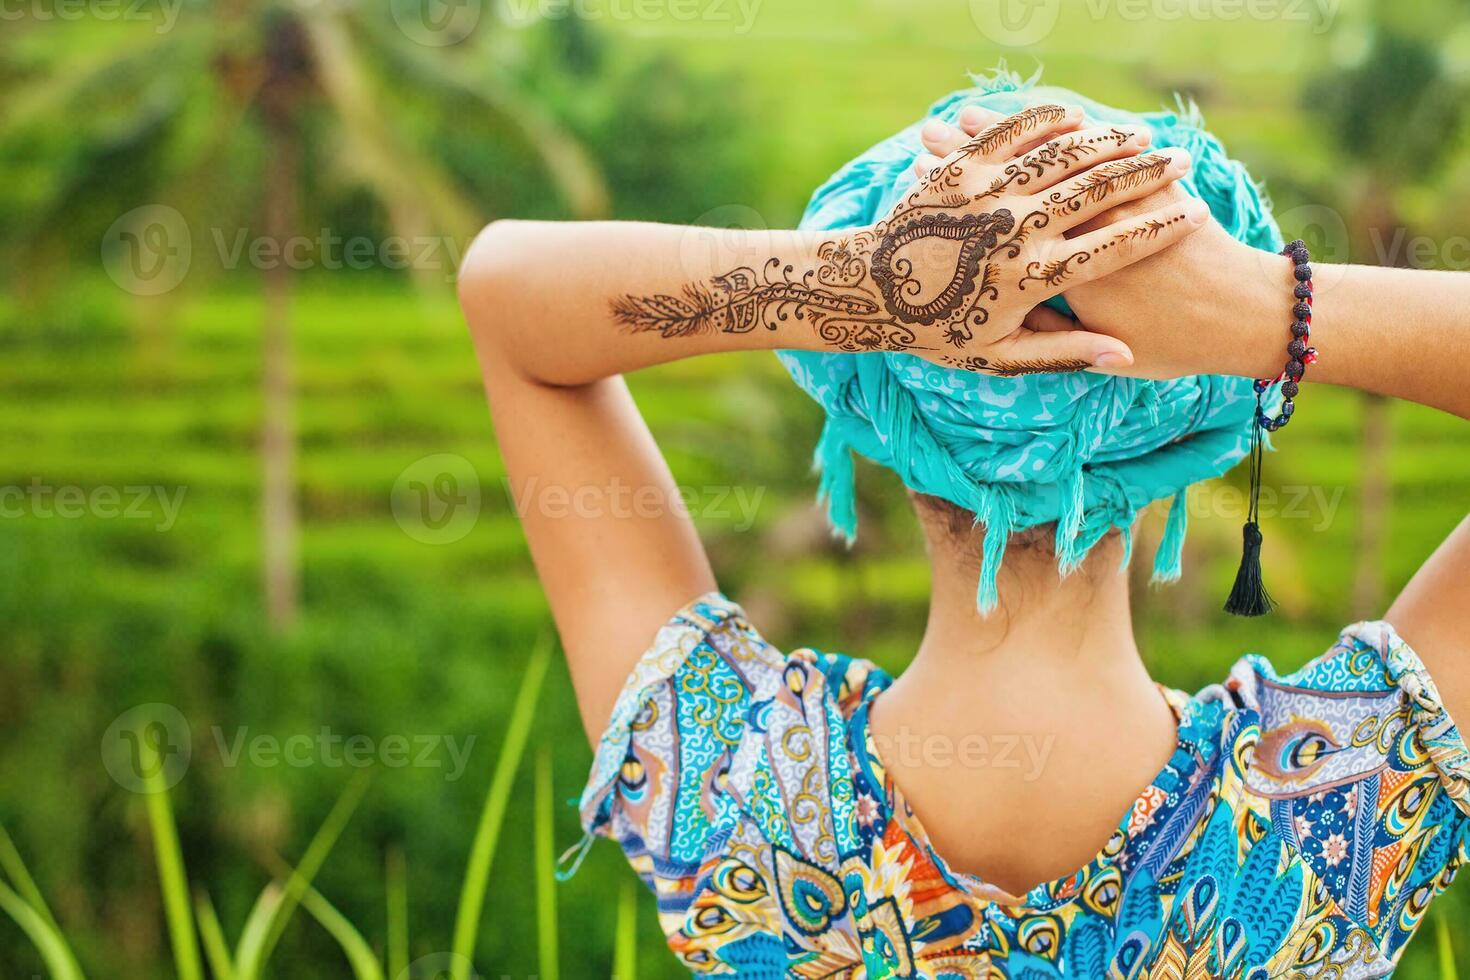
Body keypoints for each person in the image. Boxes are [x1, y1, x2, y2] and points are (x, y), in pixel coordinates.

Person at [457, 71, 1470, 976]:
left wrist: (865, 287)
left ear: (868, 402)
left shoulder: (732, 794)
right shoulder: (1332, 819)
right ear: (1189, 425)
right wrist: (1261, 307)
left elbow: (506, 295)